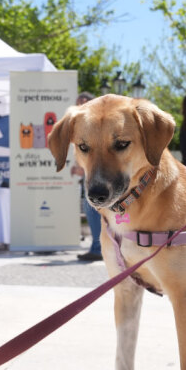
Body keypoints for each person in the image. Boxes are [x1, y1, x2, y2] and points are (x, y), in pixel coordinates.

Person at [70, 92, 102, 261]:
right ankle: (98, 248)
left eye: (84, 102)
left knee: (92, 210)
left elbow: (98, 157)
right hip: (91, 178)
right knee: (92, 212)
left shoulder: (95, 126)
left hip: (98, 178)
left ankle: (98, 249)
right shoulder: (82, 126)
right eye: (78, 103)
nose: (80, 106)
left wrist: (82, 170)